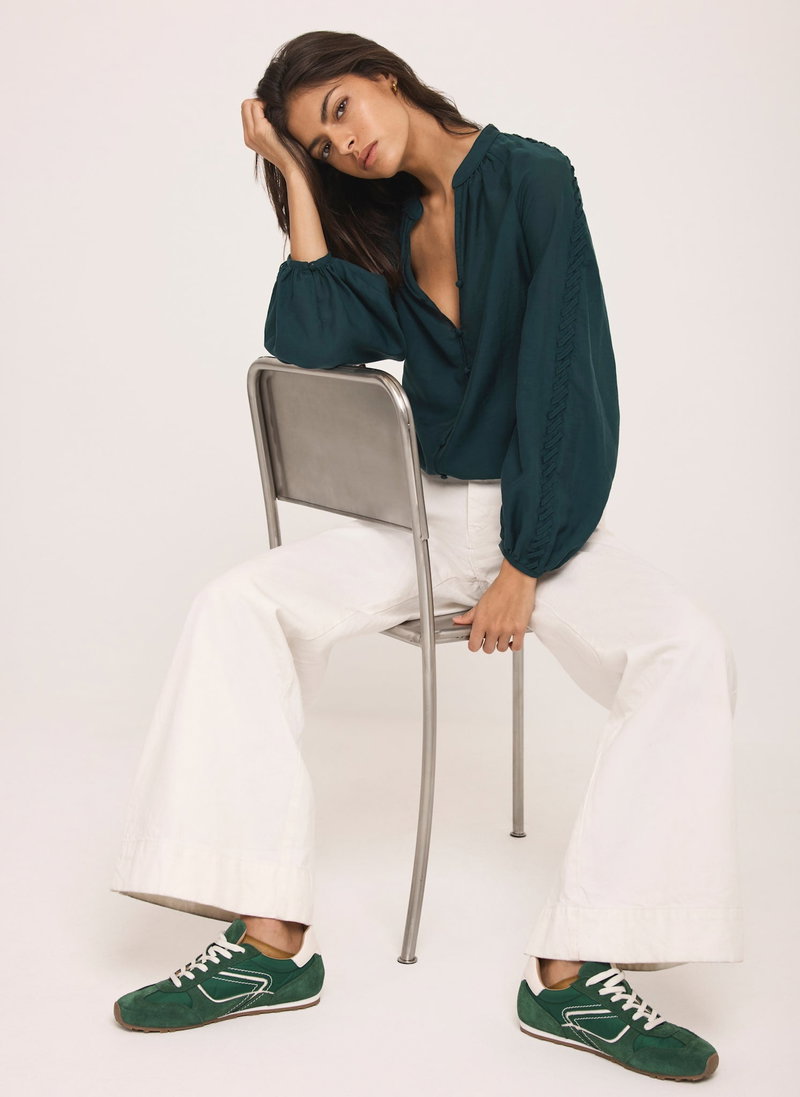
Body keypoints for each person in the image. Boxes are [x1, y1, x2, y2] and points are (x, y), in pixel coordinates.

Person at [110, 30, 742, 1082]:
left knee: (687, 648)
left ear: (384, 76)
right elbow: (308, 336)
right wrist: (292, 177)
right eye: (321, 142)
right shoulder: (387, 224)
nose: (344, 143)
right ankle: (266, 943)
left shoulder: (532, 179)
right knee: (236, 604)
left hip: (537, 521)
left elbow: (566, 377)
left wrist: (525, 563)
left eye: (341, 109)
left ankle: (574, 973)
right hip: (421, 520)